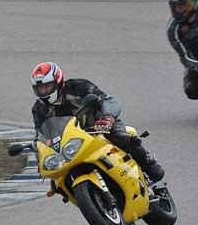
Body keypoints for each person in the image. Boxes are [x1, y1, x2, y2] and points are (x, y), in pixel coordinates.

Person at [29, 61, 165, 184]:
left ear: (57, 80)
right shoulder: (39, 109)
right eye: (40, 88)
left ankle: (148, 163)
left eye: (47, 86)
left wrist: (107, 117)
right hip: (71, 143)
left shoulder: (78, 86)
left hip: (99, 126)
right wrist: (40, 155)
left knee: (120, 137)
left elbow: (108, 100)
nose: (44, 91)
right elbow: (40, 136)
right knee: (58, 182)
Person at [166, 0, 198, 99]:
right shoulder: (173, 30)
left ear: (192, 4)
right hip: (196, 59)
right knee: (191, 90)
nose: (180, 10)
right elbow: (184, 56)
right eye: (177, 7)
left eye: (183, 6)